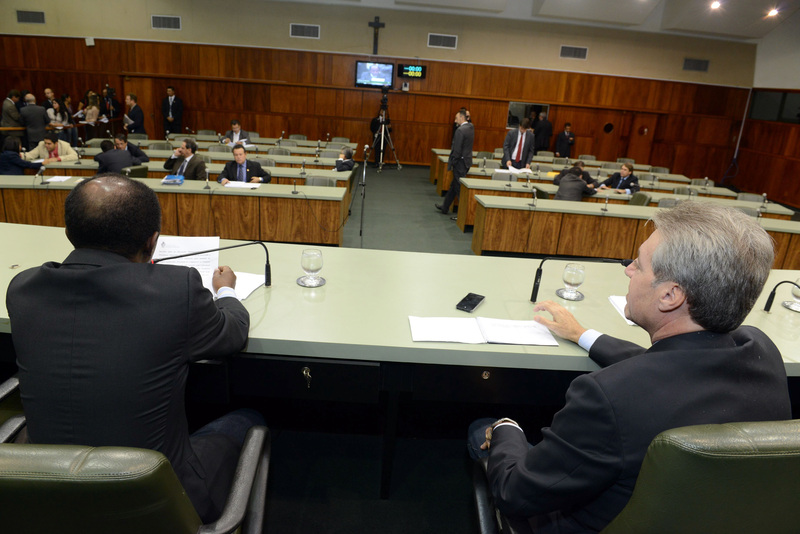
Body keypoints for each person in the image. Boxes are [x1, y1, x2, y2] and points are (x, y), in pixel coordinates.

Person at [469, 202, 790, 533]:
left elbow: (514, 493)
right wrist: (583, 335)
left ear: (670, 295)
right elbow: (669, 364)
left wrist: (507, 426)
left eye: (639, 263)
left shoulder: (607, 397)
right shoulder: (759, 349)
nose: (628, 269)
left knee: (484, 429)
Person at [6, 173, 263, 522]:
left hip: (46, 498)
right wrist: (226, 291)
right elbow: (233, 333)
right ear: (152, 242)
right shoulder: (177, 290)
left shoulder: (22, 289)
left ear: (69, 232)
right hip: (159, 504)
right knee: (248, 419)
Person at [435, 110, 473, 215]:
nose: (455, 121)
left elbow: (457, 149)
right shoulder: (471, 127)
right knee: (454, 185)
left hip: (459, 162)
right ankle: (445, 207)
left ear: (462, 118)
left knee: (459, 188)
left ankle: (463, 214)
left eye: (456, 118)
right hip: (466, 161)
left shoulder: (460, 130)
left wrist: (453, 162)